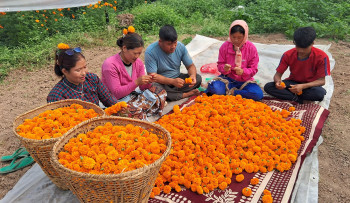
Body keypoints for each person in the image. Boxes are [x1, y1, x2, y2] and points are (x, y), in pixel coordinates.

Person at [101, 28, 167, 120]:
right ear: (124, 48)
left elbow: (142, 88)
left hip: (132, 96)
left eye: (139, 53)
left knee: (161, 92)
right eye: (135, 53)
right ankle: (139, 112)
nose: (137, 57)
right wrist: (136, 82)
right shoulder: (110, 65)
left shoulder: (138, 63)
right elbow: (116, 94)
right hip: (116, 101)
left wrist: (148, 81)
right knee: (133, 111)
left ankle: (139, 112)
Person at [264, 26, 330, 104]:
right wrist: (278, 82)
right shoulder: (288, 55)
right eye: (298, 47)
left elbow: (322, 81)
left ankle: (292, 97)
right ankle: (299, 99)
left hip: (309, 86)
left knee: (319, 93)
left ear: (312, 43)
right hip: (292, 83)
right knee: (269, 87)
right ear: (294, 43)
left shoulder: (322, 57)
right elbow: (278, 75)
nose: (301, 50)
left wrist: (303, 86)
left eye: (304, 48)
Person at [47, 43, 118, 107]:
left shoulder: (92, 79)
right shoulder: (57, 96)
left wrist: (120, 107)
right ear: (65, 71)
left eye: (85, 67)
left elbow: (109, 99)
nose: (84, 73)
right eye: (78, 70)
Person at [144, 25, 202, 101]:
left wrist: (192, 76)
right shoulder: (151, 52)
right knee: (154, 87)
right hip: (163, 83)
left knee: (198, 78)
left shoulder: (180, 47)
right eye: (169, 44)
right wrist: (172, 81)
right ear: (160, 42)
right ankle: (186, 94)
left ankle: (173, 94)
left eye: (175, 43)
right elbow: (152, 76)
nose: (173, 46)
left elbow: (190, 66)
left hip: (178, 79)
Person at [210, 19, 263, 101]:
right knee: (216, 89)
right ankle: (238, 92)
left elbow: (254, 69)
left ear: (245, 36)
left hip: (245, 80)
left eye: (239, 37)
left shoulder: (251, 48)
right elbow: (220, 64)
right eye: (233, 37)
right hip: (228, 79)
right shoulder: (225, 46)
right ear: (229, 35)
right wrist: (224, 68)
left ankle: (233, 92)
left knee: (257, 94)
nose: (236, 40)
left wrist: (243, 72)